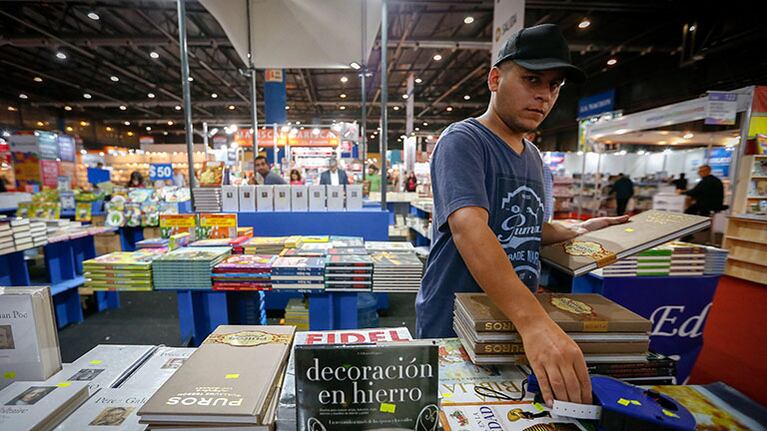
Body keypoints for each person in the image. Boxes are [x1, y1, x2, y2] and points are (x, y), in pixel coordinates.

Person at [415, 23, 630, 407]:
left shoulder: (533, 157)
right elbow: (470, 229)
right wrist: (535, 323)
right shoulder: (464, 141)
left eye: (554, 86)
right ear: (495, 78)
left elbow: (528, 226)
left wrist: (576, 229)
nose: (544, 96)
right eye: (532, 79)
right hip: (455, 323)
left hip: (508, 322)